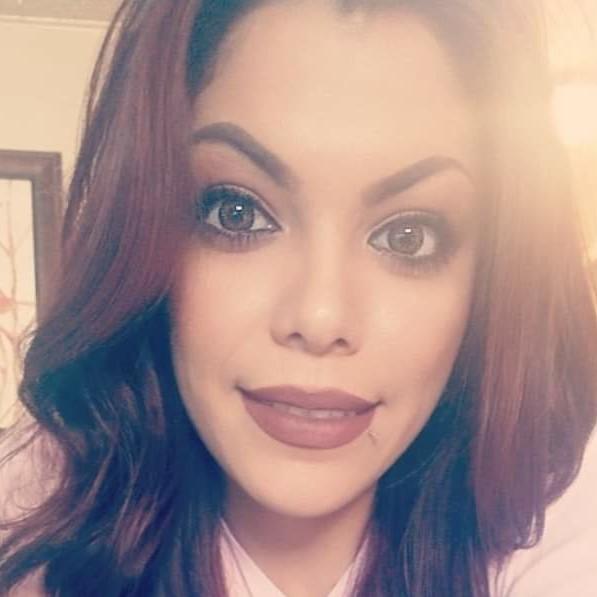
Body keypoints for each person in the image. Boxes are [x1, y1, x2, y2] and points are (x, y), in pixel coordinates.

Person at [1, 0, 596, 595]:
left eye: (408, 237)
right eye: (236, 212)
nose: (319, 317)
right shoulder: (37, 506)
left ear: (487, 281)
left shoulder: (559, 513)